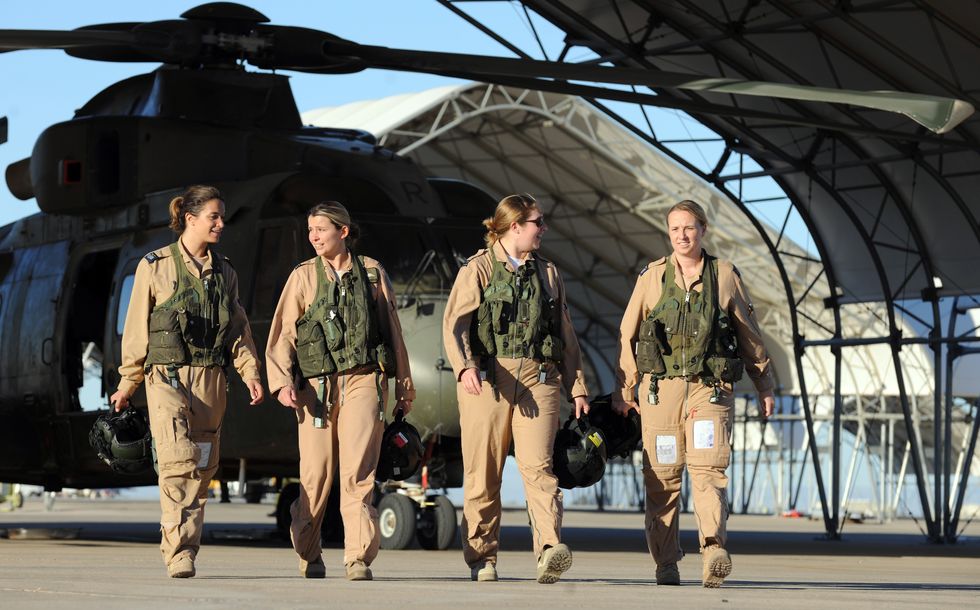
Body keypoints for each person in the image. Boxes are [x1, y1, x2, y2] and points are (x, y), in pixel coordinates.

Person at [613, 199, 775, 588]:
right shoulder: (651, 277)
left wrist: (764, 384)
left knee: (708, 471)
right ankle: (665, 562)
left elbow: (748, 334)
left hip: (709, 389)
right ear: (668, 234)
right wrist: (627, 387)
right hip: (660, 393)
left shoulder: (724, 275)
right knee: (663, 479)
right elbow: (628, 333)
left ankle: (713, 548)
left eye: (689, 228)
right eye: (675, 229)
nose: (682, 235)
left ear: (703, 230)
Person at [109, 185, 265, 578]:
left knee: (202, 467)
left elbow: (239, 330)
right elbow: (136, 329)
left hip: (211, 379)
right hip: (167, 377)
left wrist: (251, 373)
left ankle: (186, 546)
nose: (220, 223)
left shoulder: (224, 271)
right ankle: (179, 551)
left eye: (222, 216)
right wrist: (129, 381)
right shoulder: (155, 265)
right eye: (214, 216)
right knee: (178, 462)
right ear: (190, 219)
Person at [442, 193, 591, 584]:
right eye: (537, 222)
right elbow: (454, 325)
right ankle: (482, 557)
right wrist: (464, 368)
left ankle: (548, 550)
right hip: (489, 380)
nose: (543, 229)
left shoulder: (549, 273)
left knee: (539, 469)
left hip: (539, 379)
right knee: (484, 474)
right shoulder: (478, 270)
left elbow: (566, 334)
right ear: (515, 226)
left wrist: (577, 386)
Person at [265, 201, 414, 581]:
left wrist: (404, 385)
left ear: (343, 232)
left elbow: (392, 331)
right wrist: (282, 382)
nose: (313, 236)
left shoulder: (372, 272)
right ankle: (308, 550)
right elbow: (283, 334)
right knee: (316, 476)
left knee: (358, 473)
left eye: (321, 229)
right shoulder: (302, 277)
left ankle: (357, 558)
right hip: (316, 388)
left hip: (365, 381)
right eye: (310, 229)